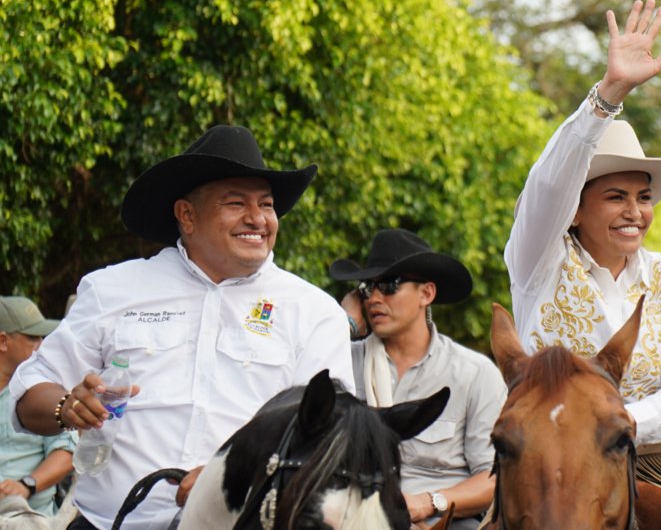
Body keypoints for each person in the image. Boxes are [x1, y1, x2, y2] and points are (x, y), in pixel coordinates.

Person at [8, 125, 355, 530]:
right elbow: (30, 392)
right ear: (187, 215)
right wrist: (67, 406)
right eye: (236, 203)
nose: (257, 218)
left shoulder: (313, 312)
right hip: (108, 524)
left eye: (266, 204)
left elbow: (333, 435)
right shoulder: (112, 290)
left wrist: (234, 474)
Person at [504, 0, 661, 528]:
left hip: (651, 466)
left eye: (643, 197)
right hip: (544, 467)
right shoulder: (540, 260)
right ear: (575, 210)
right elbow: (547, 186)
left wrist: (615, 424)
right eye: (615, 197)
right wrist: (608, 96)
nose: (635, 212)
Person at [331, 229, 505, 529]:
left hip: (445, 520)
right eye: (367, 288)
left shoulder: (474, 373)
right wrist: (343, 325)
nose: (374, 298)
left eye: (389, 285)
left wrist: (426, 503)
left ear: (426, 294)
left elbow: (493, 478)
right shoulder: (341, 362)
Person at [0, 297, 75, 516]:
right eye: (32, 338)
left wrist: (26, 485)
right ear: (3, 341)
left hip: (28, 516)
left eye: (43, 337)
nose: (42, 345)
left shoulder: (44, 394)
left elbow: (67, 453)